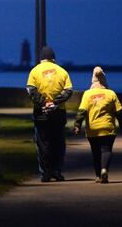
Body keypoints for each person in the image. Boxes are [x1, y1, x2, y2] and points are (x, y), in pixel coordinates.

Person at [26, 46, 73, 182]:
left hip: (41, 111)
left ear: (41, 58)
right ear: (53, 58)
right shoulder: (62, 71)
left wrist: (43, 103)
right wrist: (55, 103)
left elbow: (31, 90)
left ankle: (45, 173)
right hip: (58, 111)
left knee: (42, 142)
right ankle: (57, 171)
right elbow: (68, 90)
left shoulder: (34, 71)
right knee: (58, 142)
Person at [73, 66, 122, 183]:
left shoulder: (87, 94)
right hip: (108, 128)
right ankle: (104, 170)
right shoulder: (111, 94)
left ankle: (98, 175)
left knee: (95, 152)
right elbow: (120, 112)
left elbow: (81, 112)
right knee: (106, 150)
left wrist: (77, 125)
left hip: (93, 129)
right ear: (104, 80)